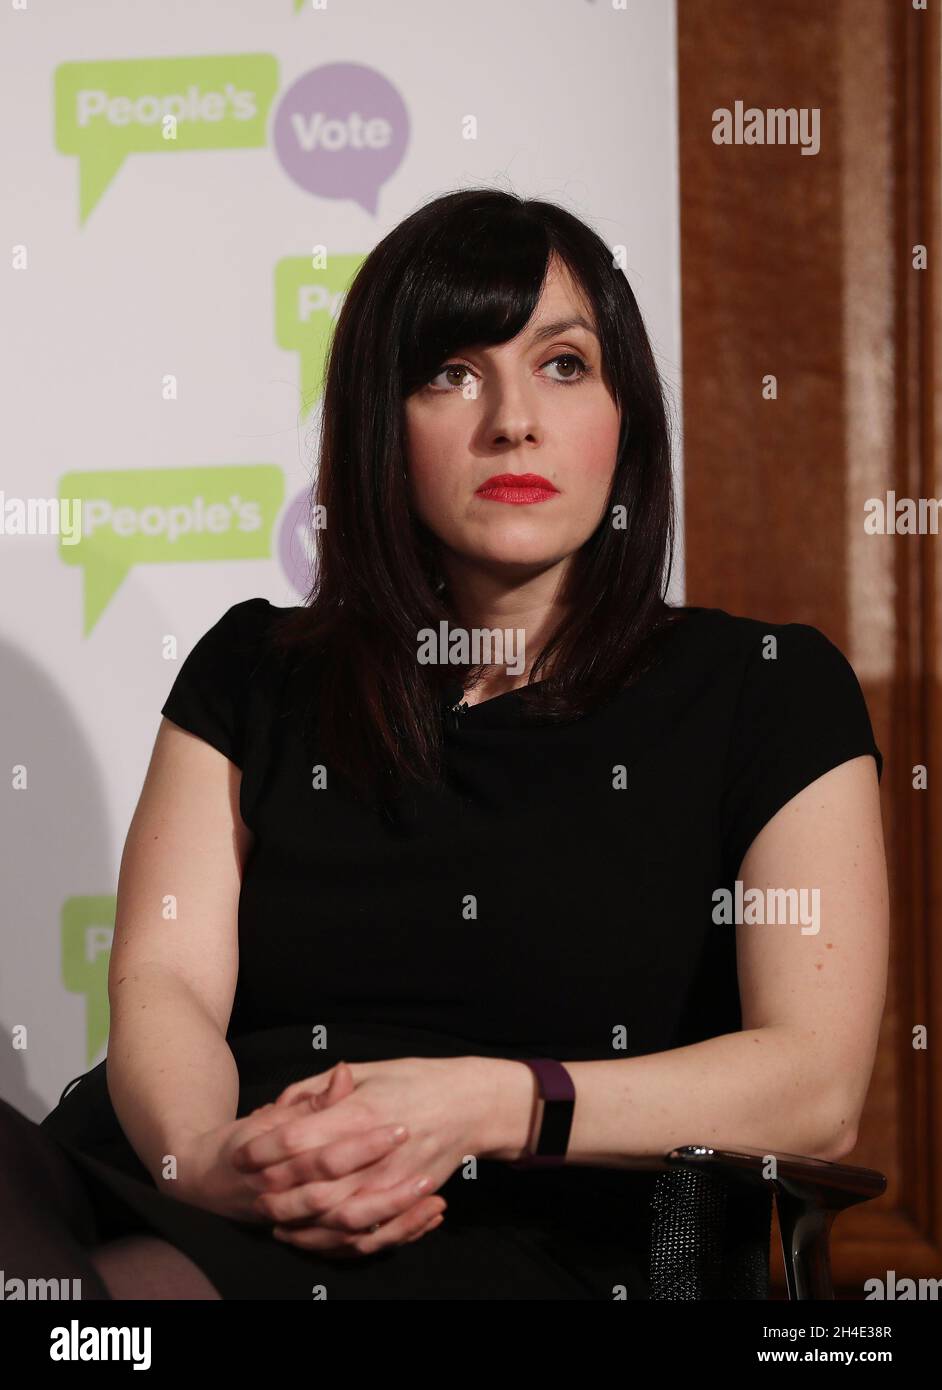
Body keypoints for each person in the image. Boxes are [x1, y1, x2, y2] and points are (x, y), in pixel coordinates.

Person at [2, 188, 888, 1300]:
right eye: (452, 373)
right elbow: (167, 980)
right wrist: (213, 1159)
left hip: (526, 1229)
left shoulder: (766, 690)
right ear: (385, 420)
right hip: (212, 1185)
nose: (511, 418)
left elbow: (815, 1083)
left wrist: (485, 1103)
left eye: (563, 365)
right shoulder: (255, 669)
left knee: (119, 1299)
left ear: (627, 413)